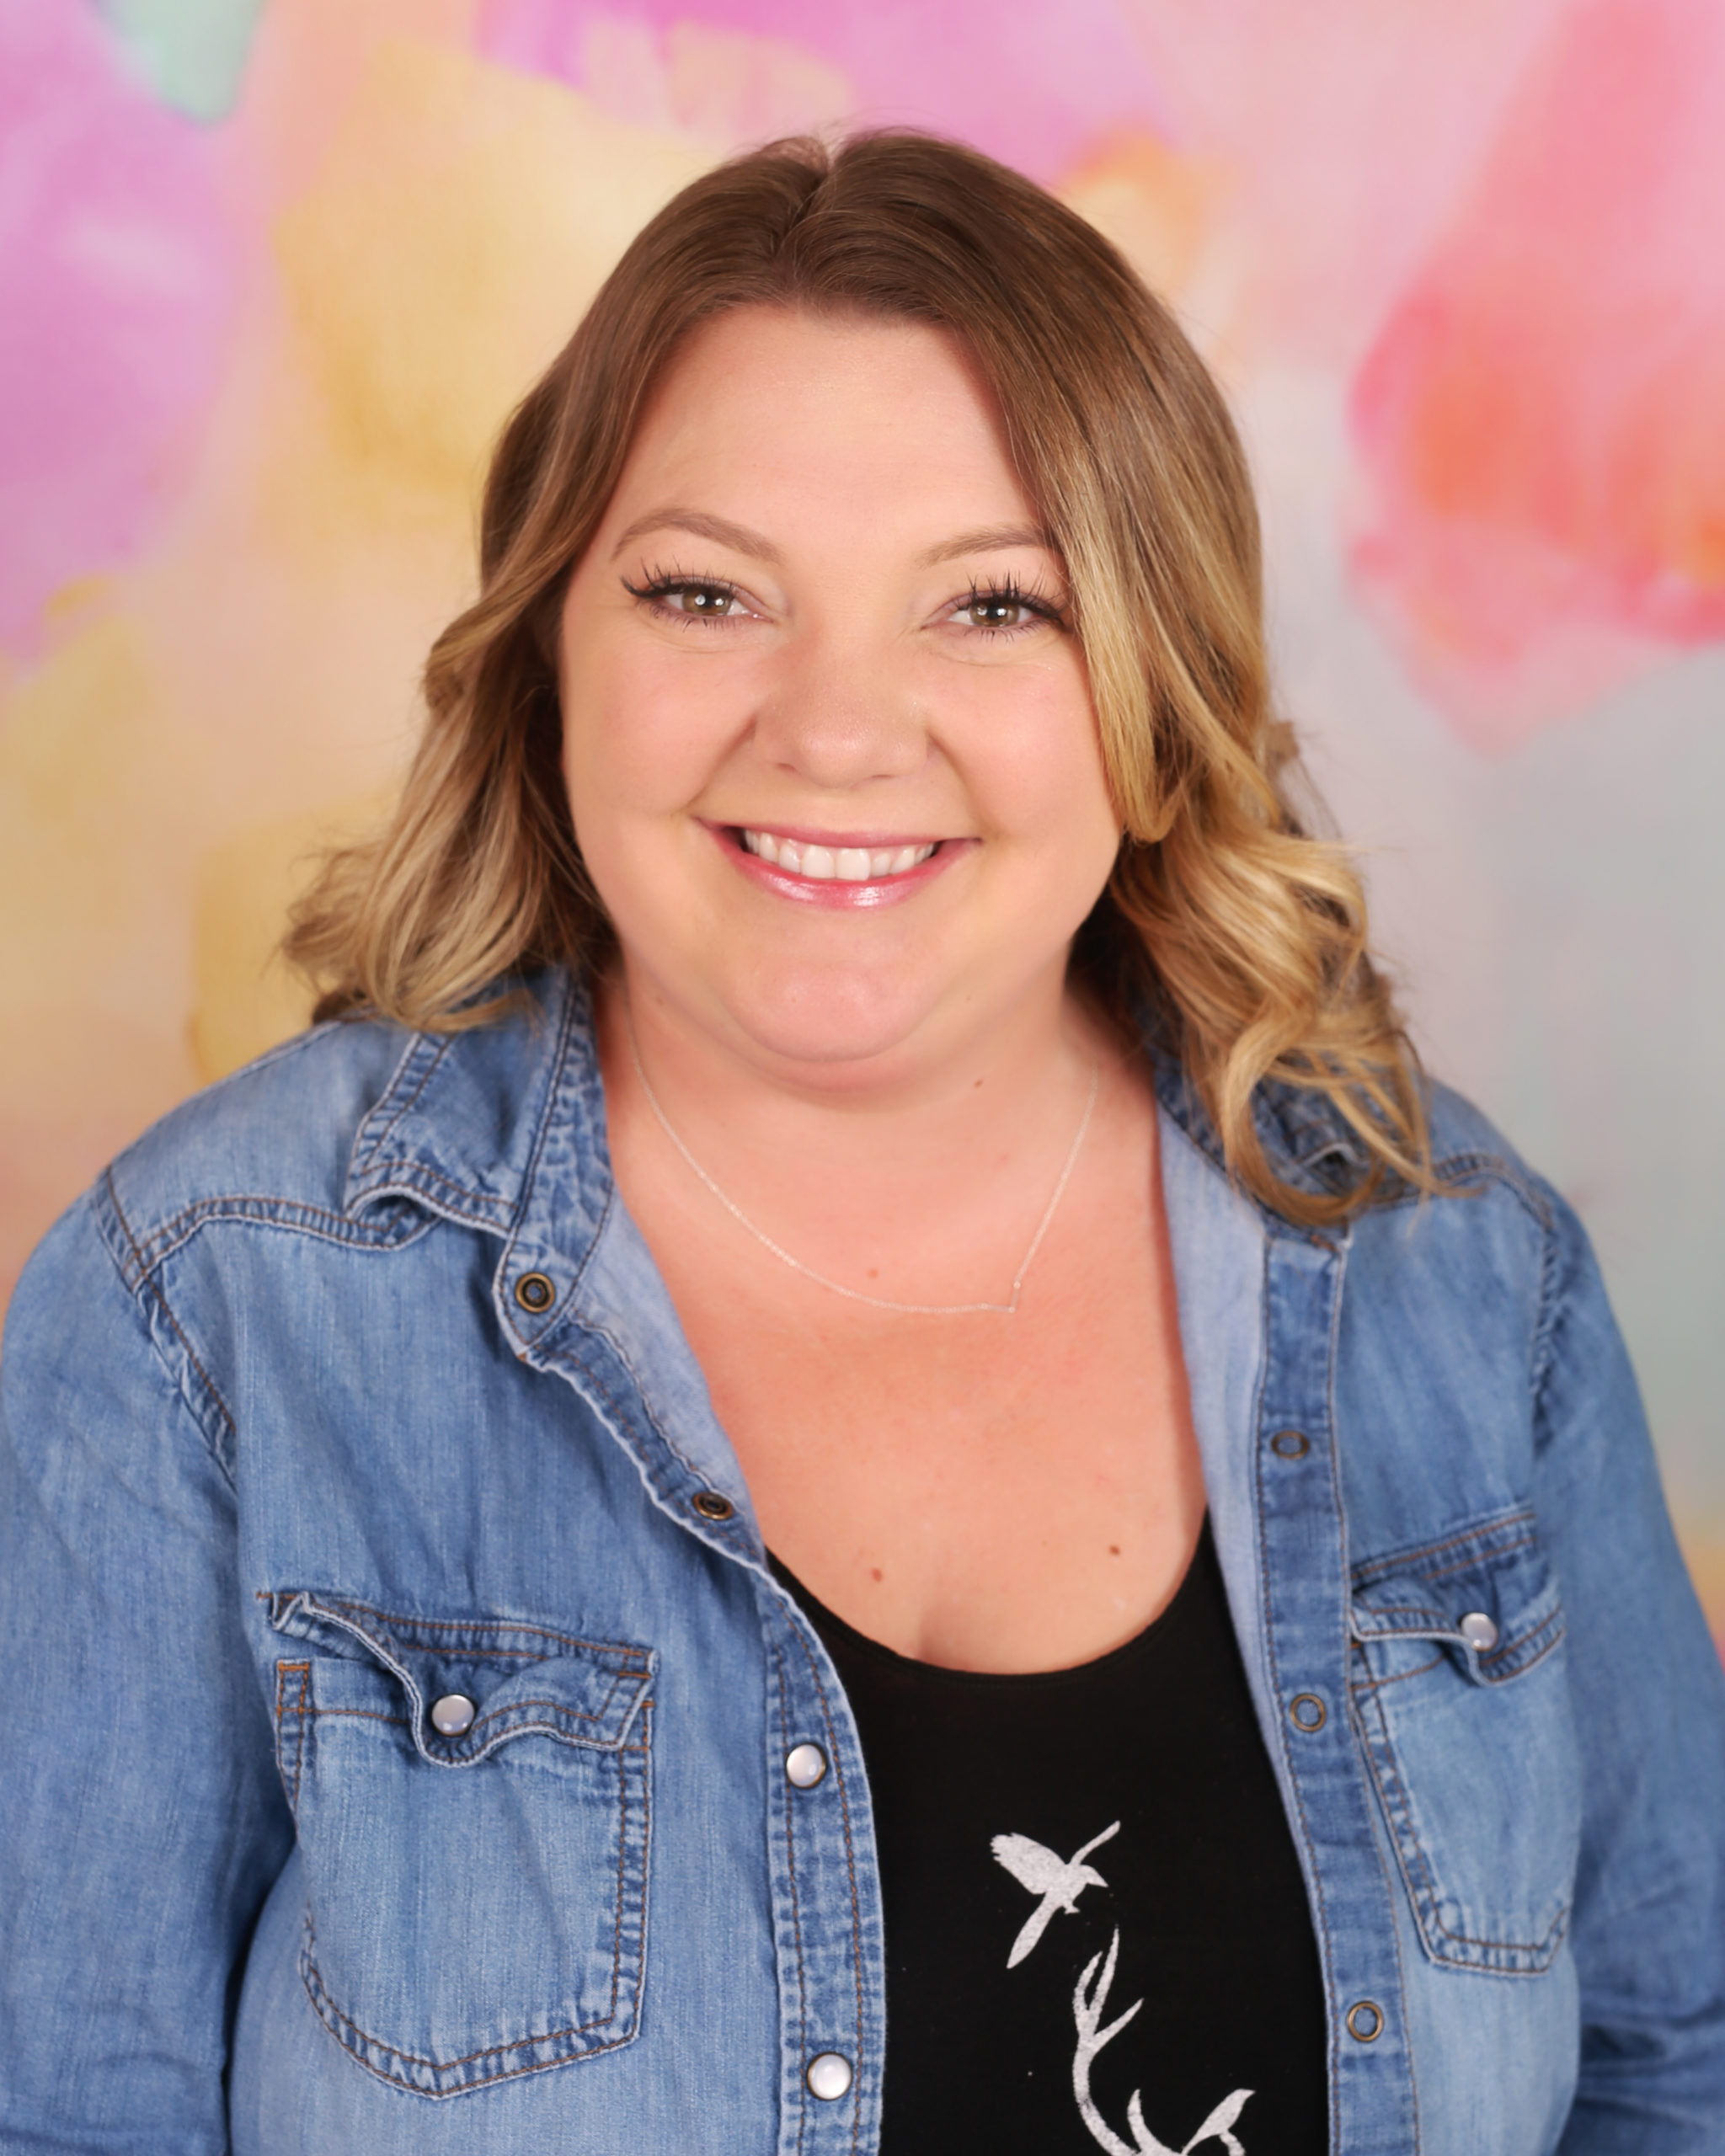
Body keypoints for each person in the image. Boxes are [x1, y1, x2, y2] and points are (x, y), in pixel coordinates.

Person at [1, 131, 1721, 2156]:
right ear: (555, 647)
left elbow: (1667, 2067)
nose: (835, 727)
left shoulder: (1455, 1266)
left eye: (991, 603)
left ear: (1151, 687)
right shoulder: (211, 1302)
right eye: (706, 590)